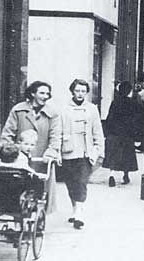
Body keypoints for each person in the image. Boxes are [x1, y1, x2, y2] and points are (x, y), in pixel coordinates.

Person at [1, 80, 61, 213]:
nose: (45, 96)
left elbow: (56, 136)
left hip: (41, 159)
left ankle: (39, 220)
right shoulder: (18, 110)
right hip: (19, 157)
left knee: (40, 190)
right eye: (42, 93)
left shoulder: (53, 114)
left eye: (47, 93)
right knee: (17, 189)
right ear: (33, 93)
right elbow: (8, 133)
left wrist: (51, 152)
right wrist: (9, 151)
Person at [60, 79, 104, 229]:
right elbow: (57, 130)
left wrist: (98, 149)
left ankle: (79, 212)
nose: (80, 94)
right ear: (72, 91)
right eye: (77, 91)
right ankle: (74, 209)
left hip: (86, 151)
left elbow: (97, 130)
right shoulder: (63, 108)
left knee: (81, 181)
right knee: (70, 182)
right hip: (68, 150)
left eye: (83, 91)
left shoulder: (92, 109)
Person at [103, 82, 139, 187]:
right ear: (129, 91)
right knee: (127, 155)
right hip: (127, 134)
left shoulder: (115, 102)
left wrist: (108, 131)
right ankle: (126, 174)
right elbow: (136, 119)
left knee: (114, 154)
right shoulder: (133, 103)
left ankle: (112, 175)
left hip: (115, 133)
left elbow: (110, 117)